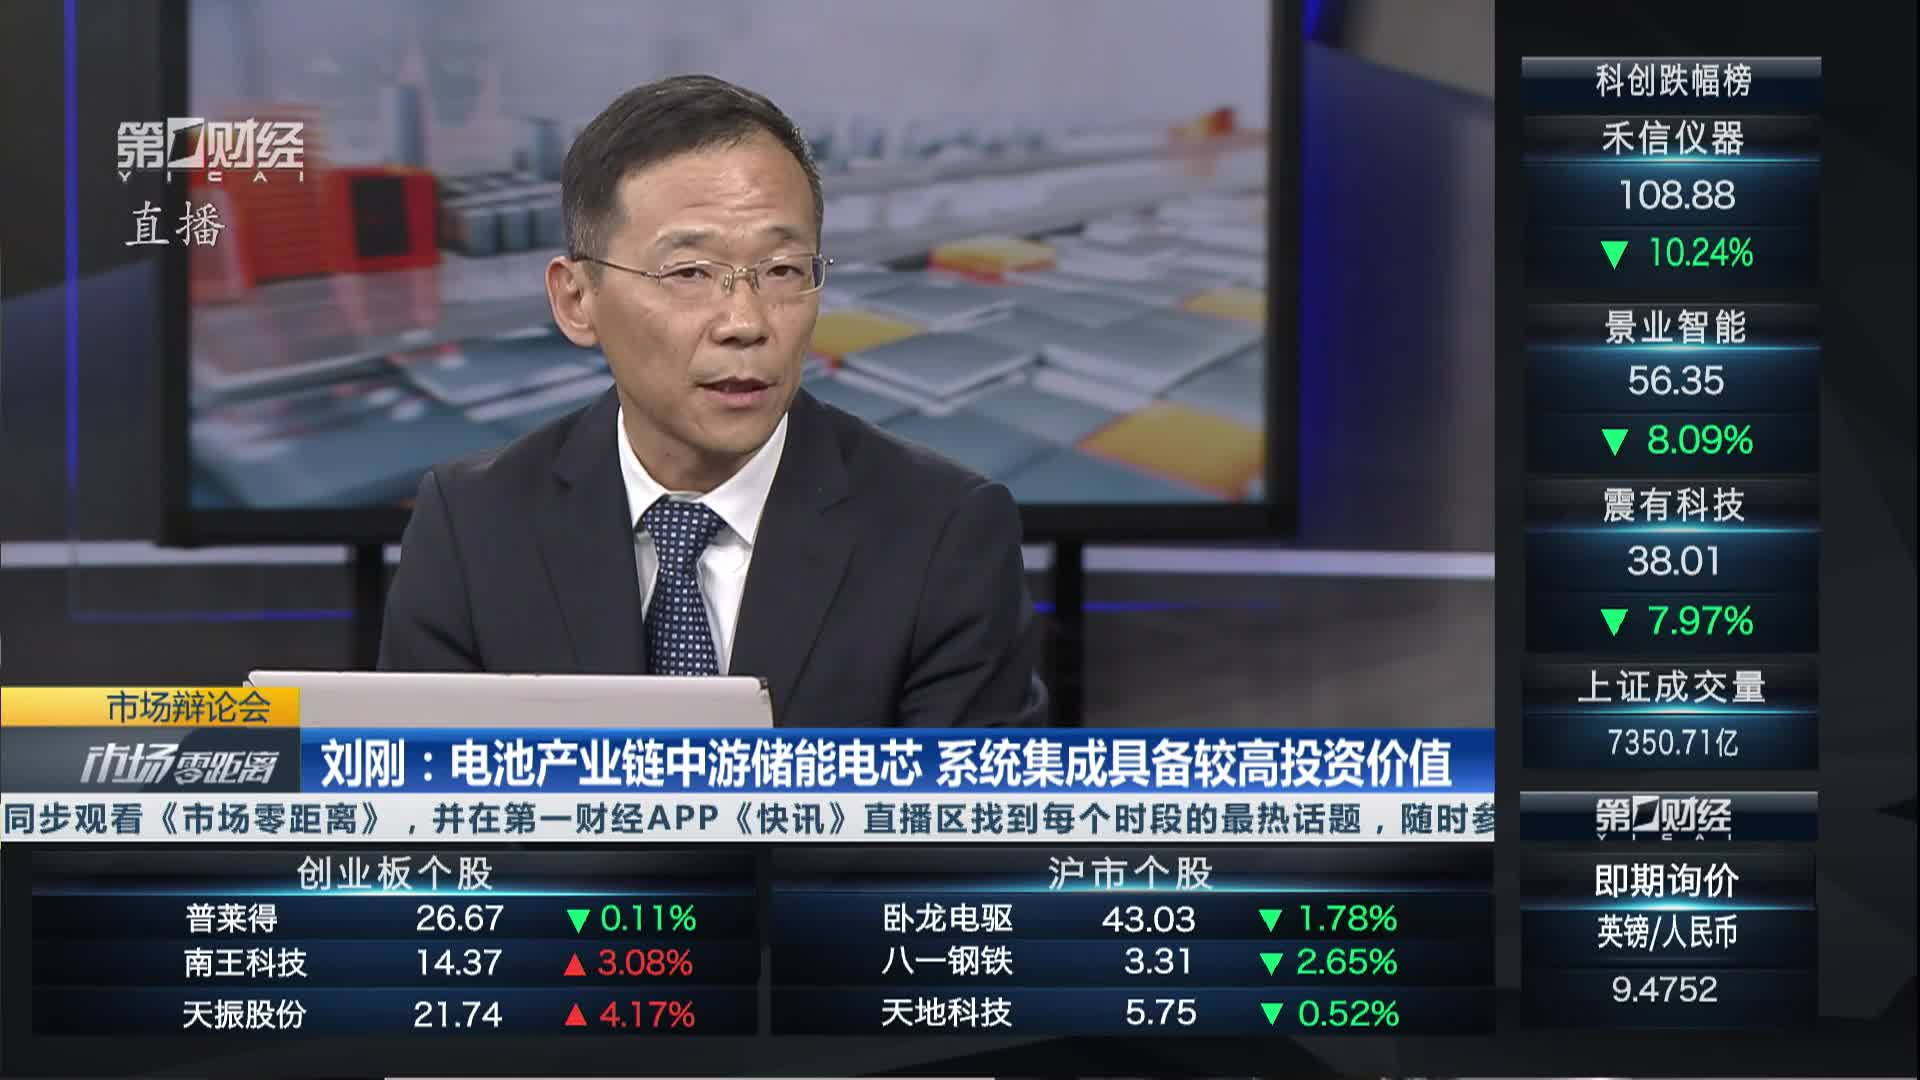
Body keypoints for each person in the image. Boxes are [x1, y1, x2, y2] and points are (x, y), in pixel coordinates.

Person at [379, 75, 1047, 727]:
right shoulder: (472, 528)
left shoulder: (943, 534)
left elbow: (958, 802)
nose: (745, 322)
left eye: (782, 270)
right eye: (690, 272)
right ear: (576, 300)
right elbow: (423, 792)